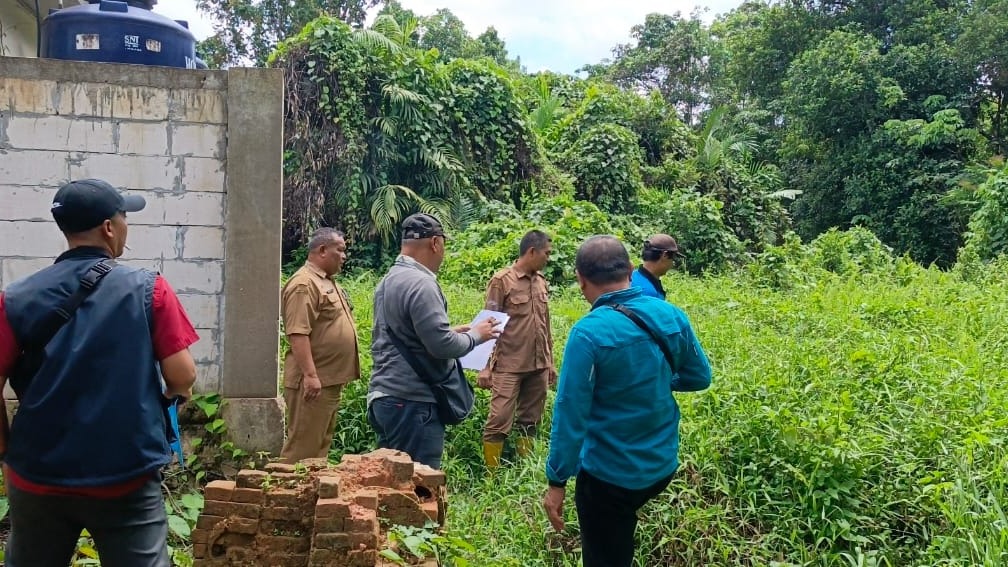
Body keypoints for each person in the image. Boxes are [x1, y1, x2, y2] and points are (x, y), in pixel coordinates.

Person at [0, 178, 199, 567]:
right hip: (124, 472)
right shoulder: (150, 289)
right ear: (109, 227)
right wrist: (176, 392)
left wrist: (7, 449)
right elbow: (182, 376)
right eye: (124, 217)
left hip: (37, 472)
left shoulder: (15, 297)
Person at [542, 235, 712, 567]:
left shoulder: (587, 334)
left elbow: (571, 414)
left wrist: (556, 480)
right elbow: (699, 377)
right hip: (661, 464)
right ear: (631, 270)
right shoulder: (672, 316)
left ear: (580, 278)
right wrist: (657, 381)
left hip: (609, 476)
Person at [367, 213, 499, 469]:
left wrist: (451, 332)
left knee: (389, 485)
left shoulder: (389, 280)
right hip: (412, 404)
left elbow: (409, 334)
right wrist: (476, 336)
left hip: (386, 398)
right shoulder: (422, 283)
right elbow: (441, 347)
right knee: (419, 488)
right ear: (435, 243)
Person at [279, 228, 360, 463]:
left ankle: (310, 497)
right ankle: (286, 496)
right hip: (313, 384)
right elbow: (297, 333)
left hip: (327, 381)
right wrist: (311, 376)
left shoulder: (325, 281)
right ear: (322, 250)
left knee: (318, 451)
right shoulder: (304, 284)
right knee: (302, 452)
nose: (344, 256)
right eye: (340, 250)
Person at [477, 230, 556, 470]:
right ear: (532, 252)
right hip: (509, 365)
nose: (548, 258)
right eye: (546, 253)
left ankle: (524, 469)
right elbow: (488, 323)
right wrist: (484, 367)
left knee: (530, 420)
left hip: (538, 364)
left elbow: (546, 325)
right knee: (498, 421)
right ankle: (491, 477)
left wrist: (550, 362)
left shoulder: (541, 281)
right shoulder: (502, 281)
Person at [629, 234, 686, 300]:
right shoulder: (648, 293)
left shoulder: (632, 276)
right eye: (673, 258)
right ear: (665, 255)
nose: (672, 264)